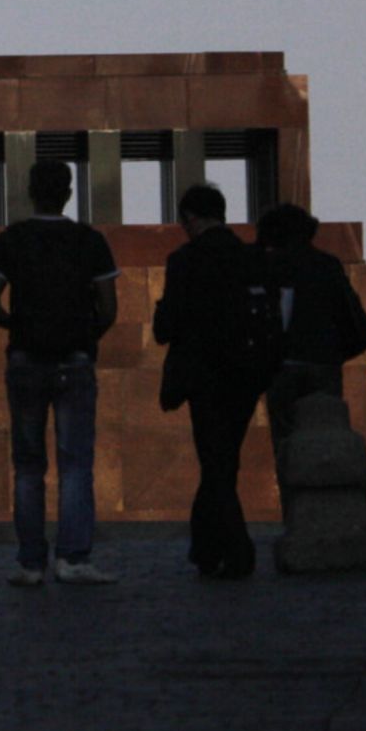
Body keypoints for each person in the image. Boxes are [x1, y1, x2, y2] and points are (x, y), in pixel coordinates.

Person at [0, 154, 120, 587]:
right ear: (68, 192)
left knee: (27, 466)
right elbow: (110, 307)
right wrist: (84, 333)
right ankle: (73, 558)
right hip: (74, 360)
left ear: (29, 191)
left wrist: (20, 326)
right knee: (75, 463)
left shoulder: (11, 240)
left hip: (26, 359)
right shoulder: (91, 241)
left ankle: (30, 562)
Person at [153, 184, 270, 579]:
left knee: (215, 462)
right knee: (223, 461)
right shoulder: (249, 258)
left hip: (203, 376)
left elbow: (165, 327)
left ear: (189, 217)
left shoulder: (184, 261)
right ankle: (206, 548)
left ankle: (237, 551)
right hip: (247, 374)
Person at [257, 203, 366, 487]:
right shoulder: (327, 266)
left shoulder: (269, 267)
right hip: (323, 367)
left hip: (283, 368)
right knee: (325, 441)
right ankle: (329, 505)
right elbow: (356, 324)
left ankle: (295, 513)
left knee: (287, 445)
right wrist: (333, 356)